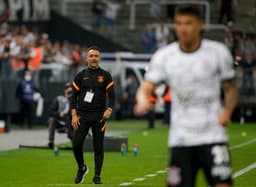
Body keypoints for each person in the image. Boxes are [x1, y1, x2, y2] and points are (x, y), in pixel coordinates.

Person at [135, 4, 237, 187]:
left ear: (200, 25)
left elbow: (230, 89)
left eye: (189, 23)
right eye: (179, 23)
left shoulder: (218, 53)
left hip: (213, 136)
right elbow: (146, 86)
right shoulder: (165, 56)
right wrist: (142, 100)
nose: (183, 28)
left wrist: (227, 112)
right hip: (181, 139)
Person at [71, 46, 115, 184]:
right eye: (91, 56)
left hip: (99, 117)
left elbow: (112, 96)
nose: (94, 58)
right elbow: (73, 97)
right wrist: (73, 115)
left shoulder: (106, 75)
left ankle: (97, 176)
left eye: (96, 56)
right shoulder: (80, 75)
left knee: (98, 147)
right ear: (87, 58)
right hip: (82, 116)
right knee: (76, 145)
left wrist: (109, 109)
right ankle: (81, 168)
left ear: (99, 58)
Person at [48, 83, 73, 148]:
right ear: (65, 90)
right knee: (52, 119)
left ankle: (75, 141)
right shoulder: (59, 99)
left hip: (71, 120)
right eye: (68, 89)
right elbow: (51, 111)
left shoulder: (75, 99)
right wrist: (59, 113)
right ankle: (51, 141)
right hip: (60, 120)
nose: (70, 92)